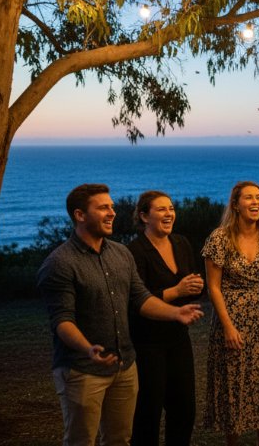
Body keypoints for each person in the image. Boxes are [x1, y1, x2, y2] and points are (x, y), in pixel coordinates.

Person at [36, 184, 203, 446]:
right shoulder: (60, 263)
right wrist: (87, 348)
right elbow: (62, 320)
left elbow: (141, 299)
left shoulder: (120, 253)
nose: (112, 212)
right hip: (83, 368)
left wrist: (175, 312)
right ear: (80, 215)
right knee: (82, 440)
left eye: (112, 206)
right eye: (103, 207)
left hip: (125, 365)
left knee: (120, 439)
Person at [202, 181, 259, 445]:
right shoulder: (220, 238)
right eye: (249, 198)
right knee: (233, 387)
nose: (256, 202)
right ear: (235, 204)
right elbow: (213, 287)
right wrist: (227, 326)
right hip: (230, 319)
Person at [127, 191, 205, 446]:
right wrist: (177, 291)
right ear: (143, 216)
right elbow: (135, 299)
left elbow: (188, 282)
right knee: (148, 411)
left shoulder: (181, 243)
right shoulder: (134, 251)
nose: (169, 213)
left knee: (184, 409)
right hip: (147, 342)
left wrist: (194, 286)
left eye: (171, 208)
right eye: (161, 209)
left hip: (178, 338)